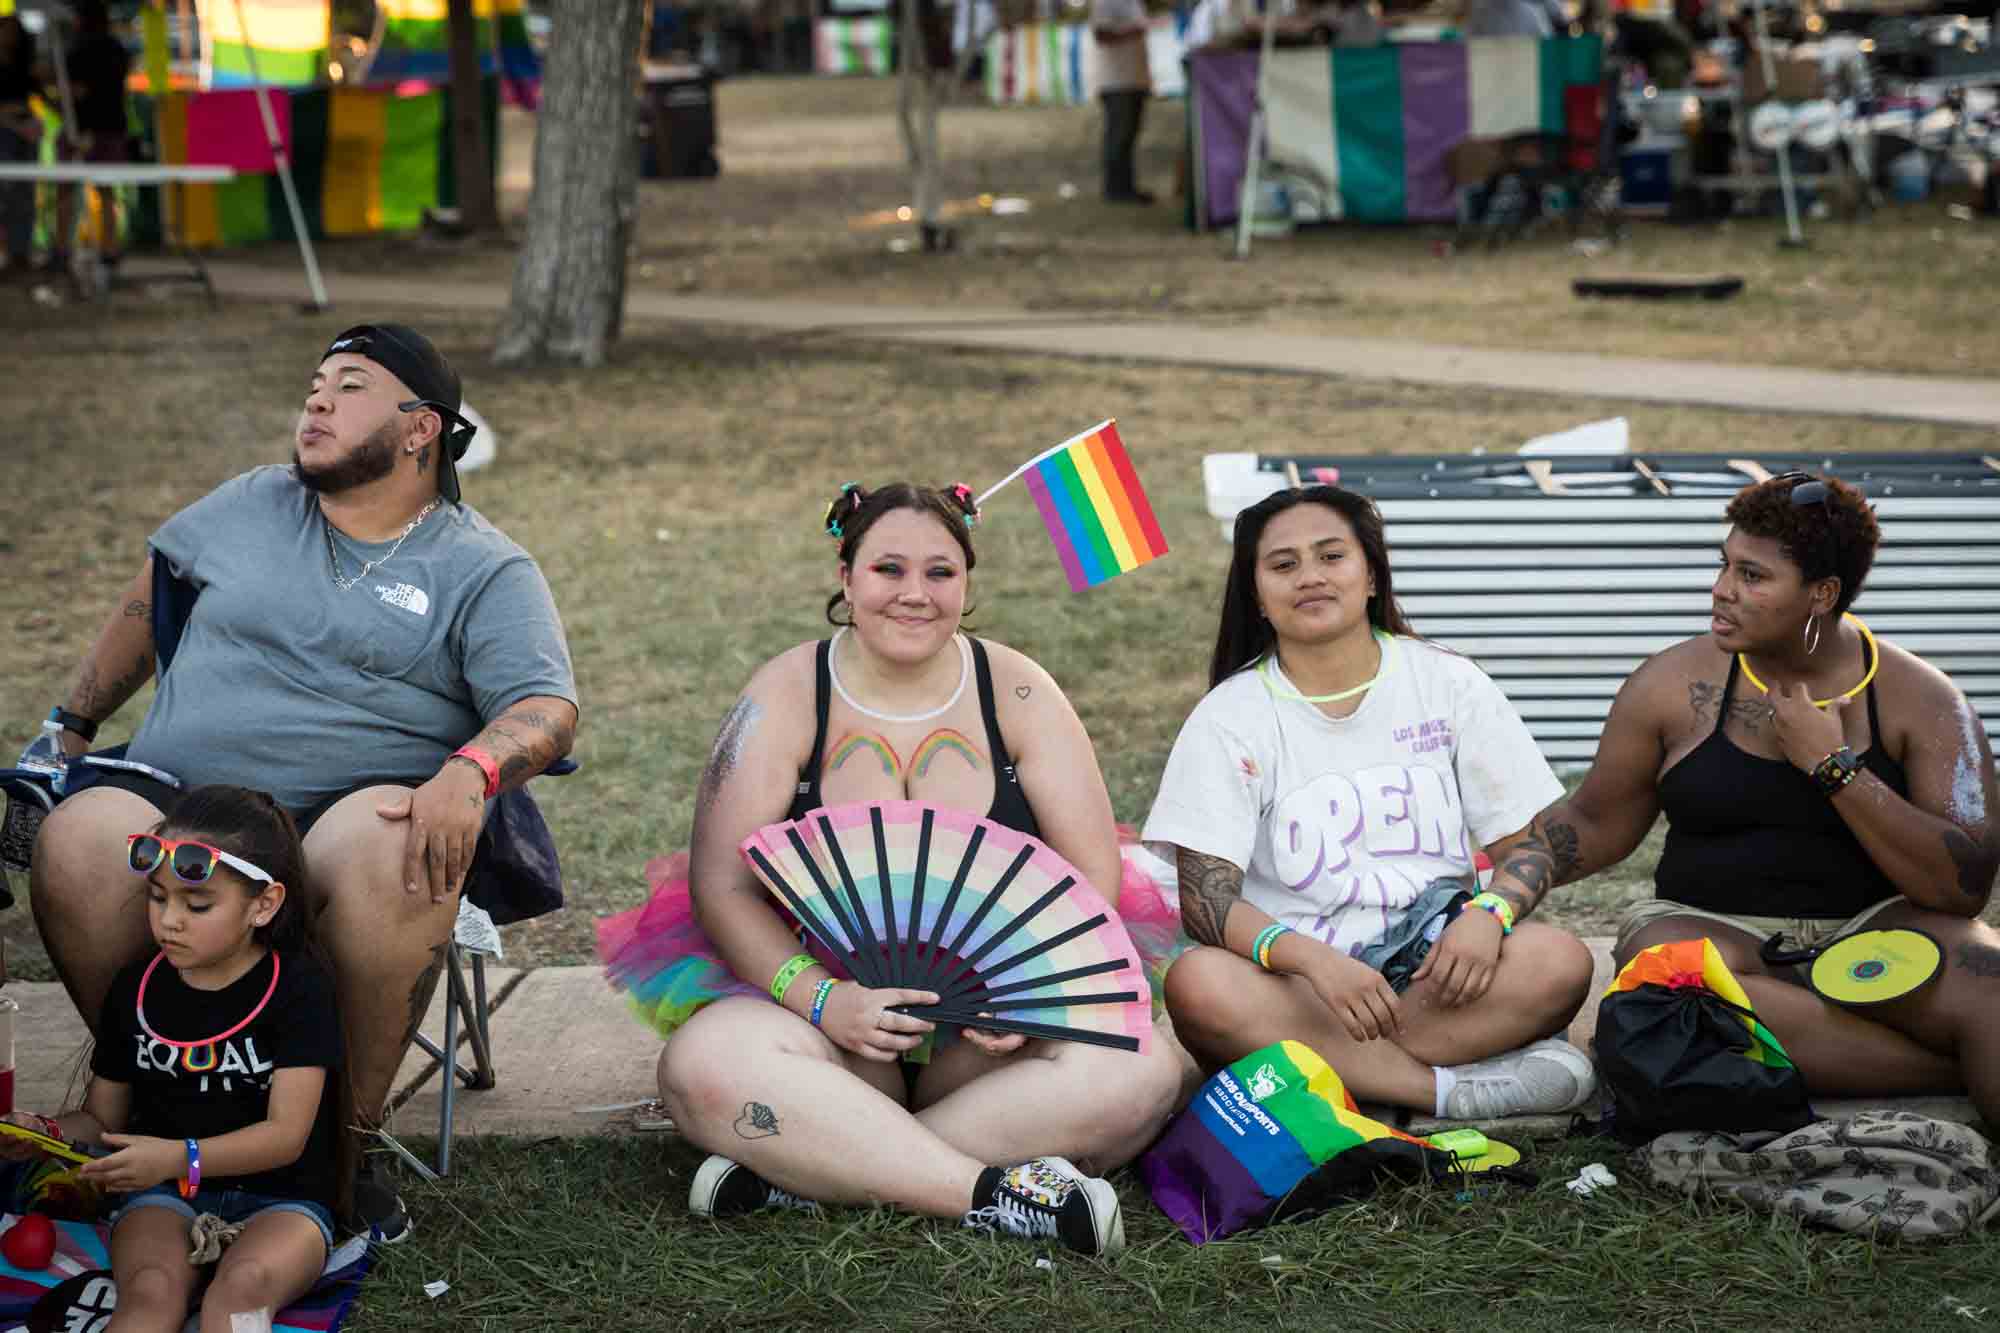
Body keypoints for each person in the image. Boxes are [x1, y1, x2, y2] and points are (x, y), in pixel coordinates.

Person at [29, 323, 578, 1240]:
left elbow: (547, 705)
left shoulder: (480, 564)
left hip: (343, 819)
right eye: (315, 383)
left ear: (420, 430)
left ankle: (333, 1154)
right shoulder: (252, 502)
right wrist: (72, 721)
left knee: (394, 842)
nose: (316, 399)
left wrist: (474, 768)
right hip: (185, 800)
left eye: (350, 385)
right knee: (80, 839)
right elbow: (152, 592)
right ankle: (158, 1114)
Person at [638, 482, 1186, 1257]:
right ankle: (994, 1195)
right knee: (701, 1065)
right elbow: (722, 885)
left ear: (968, 580)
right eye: (888, 569)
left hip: (992, 1036)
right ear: (846, 574)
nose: (914, 594)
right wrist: (826, 1000)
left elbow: (1091, 877)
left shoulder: (1021, 691)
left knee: (1147, 1068)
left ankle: (806, 1167)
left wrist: (1018, 994)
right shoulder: (787, 693)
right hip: (828, 1020)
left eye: (940, 572)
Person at [1479, 472, 2000, 1122]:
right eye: (1725, 565)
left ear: (1822, 593)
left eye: (1752, 576)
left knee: (1991, 983)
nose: (1722, 589)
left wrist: (1833, 767)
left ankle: (1847, 1057)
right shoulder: (1672, 684)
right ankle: (1943, 1068)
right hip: (1717, 936)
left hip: (1877, 932)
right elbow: (1589, 821)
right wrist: (1495, 901)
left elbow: (1964, 886)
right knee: (1660, 991)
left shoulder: (1923, 700)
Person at [1147, 485, 1599, 1120]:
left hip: (1435, 976)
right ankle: (1445, 1093)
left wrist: (1488, 915)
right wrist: (1314, 962)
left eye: (1331, 557)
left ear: (1370, 575)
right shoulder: (1229, 717)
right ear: (1257, 595)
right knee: (1199, 985)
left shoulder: (1448, 682)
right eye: (1283, 565)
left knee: (1558, 960)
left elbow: (1530, 843)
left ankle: (1348, 1081)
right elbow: (1205, 900)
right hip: (1303, 989)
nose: (1310, 577)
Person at [4, 786, 345, 1332]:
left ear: (264, 904)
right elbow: (102, 1120)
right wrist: (42, 1131)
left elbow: (286, 1136)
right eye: (157, 897)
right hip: (161, 1198)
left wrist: (177, 1157)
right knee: (149, 1294)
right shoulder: (135, 990)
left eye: (197, 904)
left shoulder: (299, 990)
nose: (169, 921)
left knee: (242, 1292)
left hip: (285, 1199)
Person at [50, 0, 131, 273]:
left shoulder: (79, 51)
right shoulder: (117, 50)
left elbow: (75, 93)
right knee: (106, 192)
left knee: (66, 190)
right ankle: (109, 247)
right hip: (111, 128)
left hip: (84, 128)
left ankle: (62, 248)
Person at [1090, 0, 1153, 203]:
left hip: (1135, 78)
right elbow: (1101, 34)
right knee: (1118, 135)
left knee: (1129, 135)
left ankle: (1126, 186)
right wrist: (1132, 32)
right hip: (1115, 80)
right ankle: (1115, 189)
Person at [0, 15, 39, 275]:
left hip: (23, 133)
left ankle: (19, 253)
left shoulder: (23, 66)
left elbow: (35, 98)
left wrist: (33, 121)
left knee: (23, 196)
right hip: (7, 132)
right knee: (6, 194)